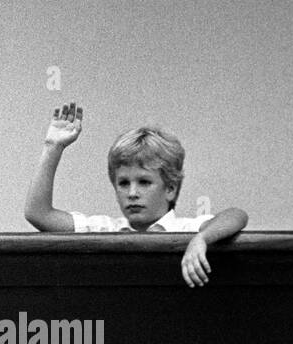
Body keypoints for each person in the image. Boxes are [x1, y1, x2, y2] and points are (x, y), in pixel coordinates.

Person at [23, 102, 249, 287]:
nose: (132, 193)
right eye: (123, 183)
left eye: (144, 182)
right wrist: (53, 147)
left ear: (169, 188)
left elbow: (236, 216)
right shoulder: (105, 230)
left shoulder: (187, 230)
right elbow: (38, 213)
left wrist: (201, 239)